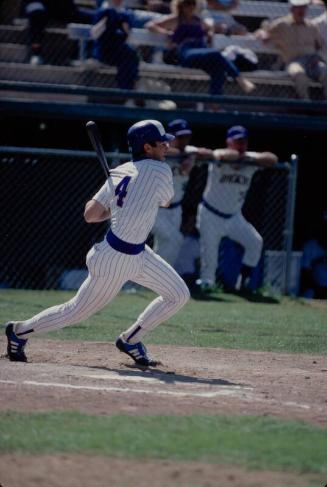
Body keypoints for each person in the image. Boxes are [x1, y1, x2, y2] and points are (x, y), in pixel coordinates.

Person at [4, 120, 190, 366]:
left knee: (178, 294)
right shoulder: (160, 170)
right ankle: (18, 332)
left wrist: (116, 202)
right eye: (162, 141)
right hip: (114, 259)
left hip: (138, 254)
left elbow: (91, 214)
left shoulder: (119, 172)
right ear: (147, 147)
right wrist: (122, 202)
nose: (167, 145)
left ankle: (131, 339)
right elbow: (165, 201)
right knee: (75, 312)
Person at [196, 125, 278, 293]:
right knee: (209, 256)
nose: (241, 144)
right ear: (229, 142)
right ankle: (207, 285)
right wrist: (236, 158)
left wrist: (249, 159)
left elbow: (272, 159)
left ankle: (244, 283)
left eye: (244, 141)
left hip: (234, 217)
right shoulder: (222, 154)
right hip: (210, 214)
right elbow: (216, 155)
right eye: (237, 141)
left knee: (255, 242)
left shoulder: (249, 157)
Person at [146, 0, 255, 97]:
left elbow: (209, 28)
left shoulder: (198, 20)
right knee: (216, 54)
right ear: (181, 6)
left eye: (193, 4)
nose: (190, 7)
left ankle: (215, 106)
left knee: (217, 70)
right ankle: (240, 80)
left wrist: (210, 33)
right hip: (186, 52)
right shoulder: (176, 19)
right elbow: (150, 25)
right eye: (187, 4)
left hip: (201, 50)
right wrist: (166, 33)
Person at [151, 118, 213, 267]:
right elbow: (161, 150)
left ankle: (153, 280)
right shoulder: (160, 149)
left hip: (176, 208)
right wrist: (184, 154)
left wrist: (191, 154)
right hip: (154, 208)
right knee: (175, 239)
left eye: (186, 137)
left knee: (165, 245)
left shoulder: (188, 151)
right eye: (180, 137)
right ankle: (162, 277)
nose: (184, 140)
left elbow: (210, 153)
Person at [255, 0, 327, 100]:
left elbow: (322, 46)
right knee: (298, 73)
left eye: (304, 7)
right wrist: (262, 34)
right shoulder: (281, 25)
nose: (302, 10)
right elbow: (263, 32)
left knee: (325, 71)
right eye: (299, 7)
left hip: (313, 61)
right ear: (292, 9)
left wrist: (318, 57)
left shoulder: (311, 26)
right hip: (294, 61)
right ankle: (306, 102)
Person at [21, 0, 94, 65]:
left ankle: (80, 55)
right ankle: (36, 53)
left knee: (94, 17)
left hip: (59, 6)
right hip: (37, 3)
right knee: (37, 12)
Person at [92, 0, 139, 91]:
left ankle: (127, 88)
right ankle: (126, 89)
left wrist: (126, 28)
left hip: (121, 51)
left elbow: (128, 35)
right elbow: (95, 34)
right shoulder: (104, 12)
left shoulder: (125, 14)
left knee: (130, 56)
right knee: (129, 56)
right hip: (105, 50)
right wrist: (105, 21)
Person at [300, 212, 327, 299]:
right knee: (308, 294)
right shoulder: (309, 246)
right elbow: (305, 274)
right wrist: (319, 290)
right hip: (315, 288)